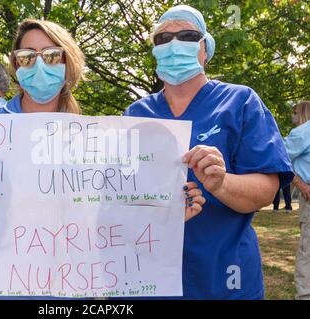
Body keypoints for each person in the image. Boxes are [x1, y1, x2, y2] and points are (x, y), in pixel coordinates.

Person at [0, 19, 206, 299]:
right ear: (15, 66)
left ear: (68, 64)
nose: (38, 65)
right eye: (26, 56)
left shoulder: (96, 140)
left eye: (51, 55)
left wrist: (165, 212)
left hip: (58, 290)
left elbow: (112, 216)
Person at [123, 5, 294, 299]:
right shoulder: (135, 113)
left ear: (205, 49)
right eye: (162, 39)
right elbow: (117, 195)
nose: (174, 44)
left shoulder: (240, 101)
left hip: (224, 278)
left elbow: (267, 190)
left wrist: (221, 183)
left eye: (187, 35)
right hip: (147, 278)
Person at [284, 101, 310, 300]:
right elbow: (279, 158)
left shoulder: (303, 132)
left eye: (294, 112)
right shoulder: (302, 133)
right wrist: (300, 183)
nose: (292, 116)